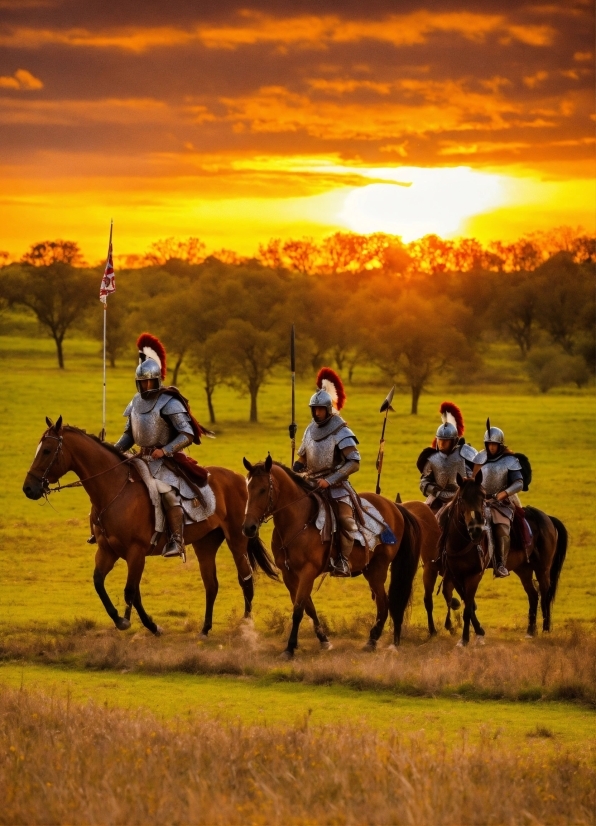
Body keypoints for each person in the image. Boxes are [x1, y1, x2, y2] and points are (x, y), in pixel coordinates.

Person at [114, 333, 211, 559]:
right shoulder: (135, 403)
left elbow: (186, 434)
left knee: (168, 494)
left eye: (148, 381)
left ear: (156, 380)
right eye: (142, 382)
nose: (145, 385)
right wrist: (113, 450)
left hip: (165, 461)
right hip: (140, 459)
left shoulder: (169, 401)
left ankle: (177, 540)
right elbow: (129, 435)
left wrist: (165, 450)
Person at [293, 368, 360, 577]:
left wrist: (330, 480)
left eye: (320, 409)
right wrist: (294, 470)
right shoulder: (309, 430)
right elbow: (302, 459)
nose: (317, 413)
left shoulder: (341, 431)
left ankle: (342, 560)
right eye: (314, 409)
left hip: (338, 487)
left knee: (345, 521)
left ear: (328, 409)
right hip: (310, 484)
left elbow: (354, 462)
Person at [473, 420, 524, 578]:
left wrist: (503, 494)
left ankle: (501, 564)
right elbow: (471, 477)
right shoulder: (479, 458)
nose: (491, 447)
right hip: (480, 501)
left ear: (500, 445)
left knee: (502, 529)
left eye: (494, 444)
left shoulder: (510, 461)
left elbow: (519, 483)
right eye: (489, 444)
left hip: (501, 504)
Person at [417, 401, 477, 514]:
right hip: (437, 498)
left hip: (461, 499)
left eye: (445, 442)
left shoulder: (464, 454)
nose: (441, 445)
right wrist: (434, 490)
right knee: (423, 517)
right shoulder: (434, 458)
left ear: (453, 441)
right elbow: (424, 481)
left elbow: (473, 478)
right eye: (440, 441)